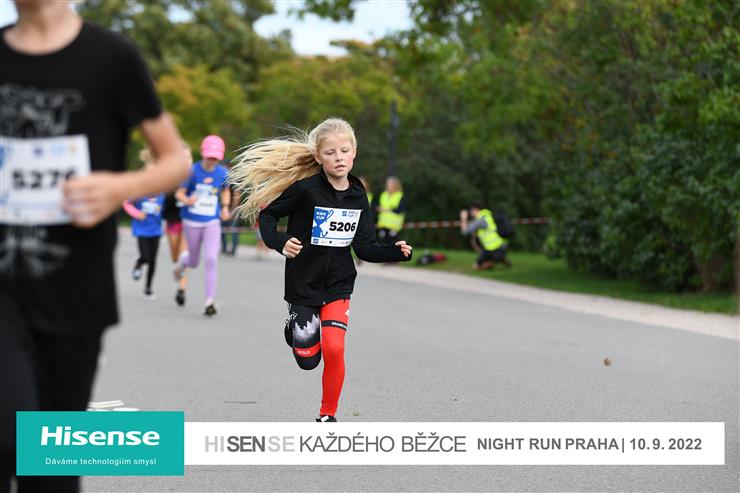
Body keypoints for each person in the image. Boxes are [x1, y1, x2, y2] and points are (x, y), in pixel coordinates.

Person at [0, 1, 188, 492]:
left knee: (51, 469)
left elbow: (176, 160)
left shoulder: (111, 57)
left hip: (76, 290)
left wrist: (120, 188)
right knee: (8, 436)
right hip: (3, 287)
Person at [231, 117, 413, 422]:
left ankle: (327, 415)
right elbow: (268, 215)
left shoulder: (358, 195)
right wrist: (280, 242)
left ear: (354, 152)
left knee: (334, 348)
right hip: (303, 282)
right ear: (318, 156)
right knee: (308, 360)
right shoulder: (306, 190)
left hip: (339, 283)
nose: (339, 157)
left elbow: (364, 247)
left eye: (344, 151)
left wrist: (395, 252)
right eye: (330, 152)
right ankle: (294, 327)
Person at [173, 135, 231, 316]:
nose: (212, 160)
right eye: (209, 156)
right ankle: (182, 263)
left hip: (211, 221)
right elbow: (179, 194)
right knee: (193, 261)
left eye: (215, 157)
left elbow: (225, 191)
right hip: (191, 221)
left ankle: (209, 302)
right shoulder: (192, 171)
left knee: (211, 258)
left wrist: (225, 207)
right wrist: (187, 200)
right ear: (202, 153)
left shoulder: (222, 173)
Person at [122, 149, 165, 300]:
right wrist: (136, 213)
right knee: (146, 257)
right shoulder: (139, 190)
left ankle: (148, 288)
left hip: (156, 229)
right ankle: (139, 262)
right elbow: (126, 203)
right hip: (141, 229)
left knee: (153, 260)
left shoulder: (162, 190)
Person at [162, 142, 193, 306]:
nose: (185, 161)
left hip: (189, 221)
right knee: (175, 256)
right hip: (172, 219)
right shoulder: (170, 176)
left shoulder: (196, 176)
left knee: (184, 255)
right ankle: (177, 269)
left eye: (188, 157)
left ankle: (182, 289)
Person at [459, 203, 511, 270]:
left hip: (496, 247)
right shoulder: (487, 216)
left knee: (485, 265)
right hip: (491, 247)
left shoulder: (481, 220)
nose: (470, 212)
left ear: (476, 209)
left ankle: (499, 259)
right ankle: (500, 259)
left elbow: (465, 232)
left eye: (471, 210)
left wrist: (463, 218)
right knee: (476, 266)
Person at [376, 175, 406, 244]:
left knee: (393, 244)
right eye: (387, 184)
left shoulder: (400, 196)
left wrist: (386, 209)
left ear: (395, 185)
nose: (387, 186)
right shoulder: (383, 194)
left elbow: (399, 210)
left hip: (394, 226)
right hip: (382, 225)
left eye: (390, 184)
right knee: (382, 244)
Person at [220, 161, 241, 257]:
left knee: (233, 230)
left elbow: (237, 196)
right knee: (223, 229)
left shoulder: (234, 180)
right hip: (225, 208)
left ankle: (233, 250)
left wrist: (232, 210)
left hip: (233, 209)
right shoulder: (223, 179)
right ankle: (224, 248)